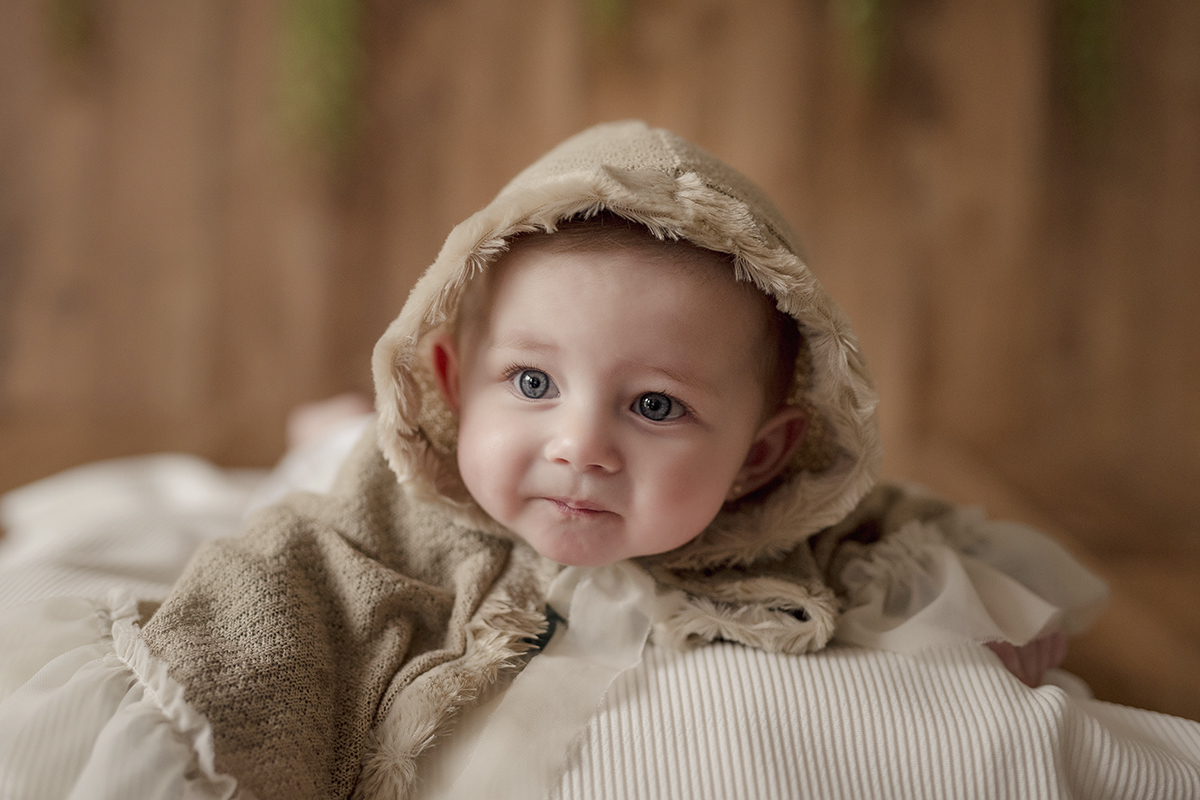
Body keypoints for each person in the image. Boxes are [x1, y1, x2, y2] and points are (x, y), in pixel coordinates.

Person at [0, 121, 1173, 800]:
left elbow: (898, 523)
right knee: (308, 463)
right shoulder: (380, 511)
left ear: (759, 455)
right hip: (357, 465)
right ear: (454, 380)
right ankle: (328, 423)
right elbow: (275, 594)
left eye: (655, 404)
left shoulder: (781, 506)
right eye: (532, 382)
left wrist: (984, 610)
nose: (580, 445)